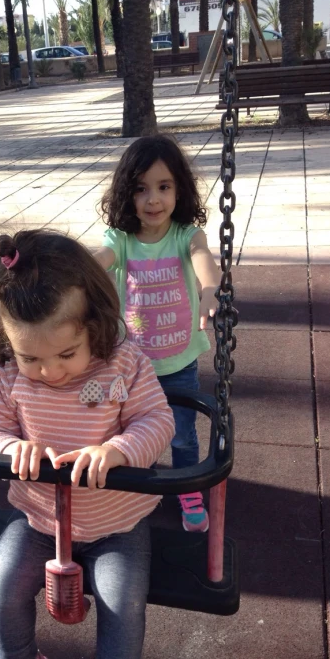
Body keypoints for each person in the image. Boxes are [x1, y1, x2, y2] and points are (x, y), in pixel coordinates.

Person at [0, 229, 175, 659]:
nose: (51, 372)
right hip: (40, 519)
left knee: (121, 602)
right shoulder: (6, 374)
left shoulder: (120, 364)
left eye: (66, 354)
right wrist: (11, 448)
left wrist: (121, 450)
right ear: (8, 342)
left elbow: (158, 419)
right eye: (31, 358)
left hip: (116, 524)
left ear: (94, 324)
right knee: (2, 584)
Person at [95, 134, 222, 533]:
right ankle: (142, 490)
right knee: (137, 433)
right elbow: (100, 261)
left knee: (183, 436)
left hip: (179, 360)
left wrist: (208, 290)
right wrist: (74, 271)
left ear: (179, 189)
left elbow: (203, 258)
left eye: (164, 187)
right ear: (125, 194)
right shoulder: (122, 240)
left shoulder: (185, 234)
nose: (153, 200)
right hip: (133, 365)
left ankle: (187, 492)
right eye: (141, 189)